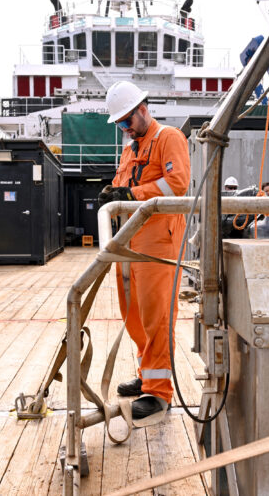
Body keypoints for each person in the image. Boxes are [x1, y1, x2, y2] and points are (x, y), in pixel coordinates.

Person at [97, 81, 190, 421]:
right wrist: (113, 193)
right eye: (120, 124)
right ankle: (148, 374)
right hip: (131, 241)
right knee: (133, 314)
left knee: (156, 316)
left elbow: (177, 184)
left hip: (158, 242)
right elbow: (125, 187)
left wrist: (131, 196)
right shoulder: (129, 149)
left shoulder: (168, 139)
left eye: (126, 122)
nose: (124, 129)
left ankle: (159, 393)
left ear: (142, 110)